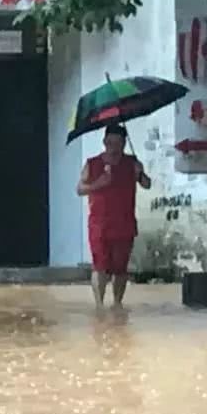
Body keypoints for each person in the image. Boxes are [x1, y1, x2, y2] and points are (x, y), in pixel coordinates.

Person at [77, 123, 151, 308]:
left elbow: (147, 184)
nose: (114, 148)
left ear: (124, 143)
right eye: (110, 143)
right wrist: (98, 184)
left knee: (120, 268)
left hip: (124, 223)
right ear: (104, 142)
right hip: (99, 224)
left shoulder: (131, 163)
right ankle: (99, 306)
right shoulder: (92, 164)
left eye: (118, 143)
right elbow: (79, 189)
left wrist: (140, 173)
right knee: (100, 266)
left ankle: (117, 304)